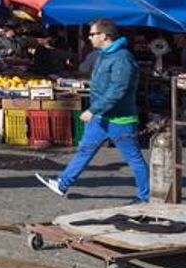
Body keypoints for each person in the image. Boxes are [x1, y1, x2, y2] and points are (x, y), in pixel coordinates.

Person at [37, 19, 149, 203]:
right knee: (84, 150)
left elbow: (118, 89)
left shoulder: (122, 58)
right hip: (101, 117)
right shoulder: (104, 54)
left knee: (134, 158)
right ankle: (62, 183)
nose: (89, 37)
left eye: (92, 34)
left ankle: (145, 197)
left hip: (120, 119)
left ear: (104, 36)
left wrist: (94, 109)